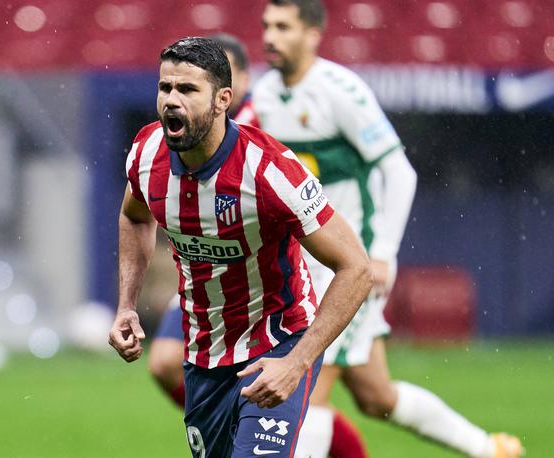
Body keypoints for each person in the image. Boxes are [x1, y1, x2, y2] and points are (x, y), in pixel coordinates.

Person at [253, 1, 524, 458]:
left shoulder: (340, 90)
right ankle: (490, 449)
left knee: (307, 391)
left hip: (345, 267)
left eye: (283, 26)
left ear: (313, 34)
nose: (270, 36)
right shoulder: (264, 94)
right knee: (376, 394)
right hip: (303, 266)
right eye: (266, 26)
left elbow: (400, 171)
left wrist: (383, 255)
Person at [109, 36, 373, 458]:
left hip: (277, 344)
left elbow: (356, 267)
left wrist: (298, 362)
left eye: (188, 90)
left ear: (222, 100)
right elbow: (134, 215)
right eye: (165, 89)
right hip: (203, 359)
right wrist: (127, 305)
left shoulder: (269, 170)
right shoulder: (146, 154)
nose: (171, 102)